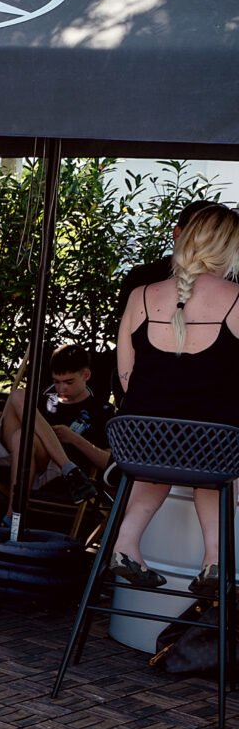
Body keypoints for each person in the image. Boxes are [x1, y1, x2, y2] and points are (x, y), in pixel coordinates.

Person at [107, 201, 239, 597]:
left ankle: (125, 544)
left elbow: (125, 377)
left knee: (165, 452)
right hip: (216, 447)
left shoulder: (141, 296)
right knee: (215, 458)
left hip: (141, 443)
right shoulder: (237, 298)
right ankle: (214, 559)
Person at [0, 343, 113, 505]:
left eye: (69, 382)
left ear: (86, 375)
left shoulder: (100, 410)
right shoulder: (44, 401)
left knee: (22, 438)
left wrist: (74, 439)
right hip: (17, 457)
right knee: (19, 395)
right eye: (56, 381)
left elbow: (108, 462)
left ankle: (13, 514)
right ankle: (69, 468)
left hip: (52, 470)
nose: (61, 388)